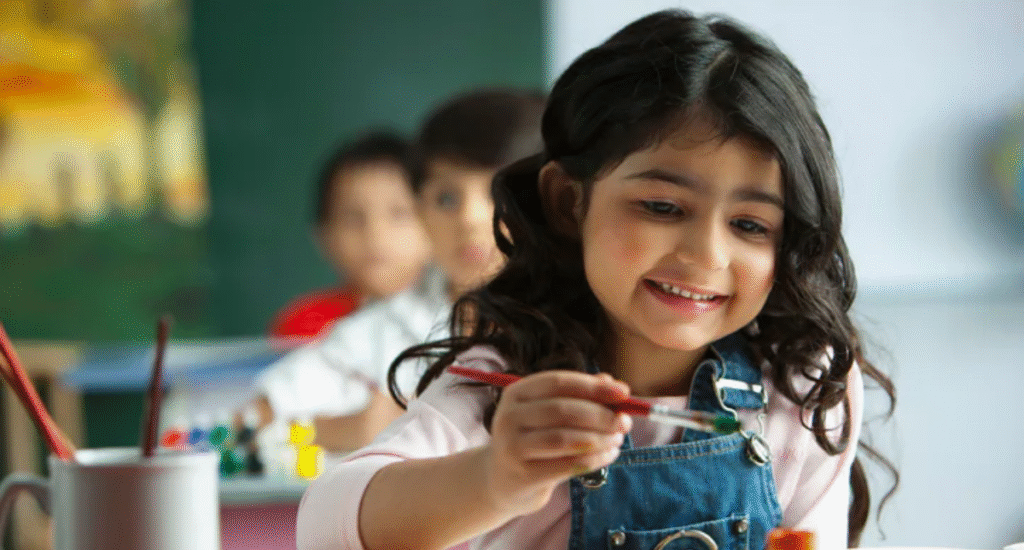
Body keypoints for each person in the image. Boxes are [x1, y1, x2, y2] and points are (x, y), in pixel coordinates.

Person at [295, 9, 896, 550]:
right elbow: (325, 528)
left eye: (750, 224)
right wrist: (494, 478)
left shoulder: (804, 384)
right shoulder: (510, 387)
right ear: (568, 202)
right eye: (662, 207)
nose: (706, 255)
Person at [249, 89, 546, 452]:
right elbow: (248, 422)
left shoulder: (595, 317)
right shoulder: (374, 332)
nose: (470, 218)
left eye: (499, 193)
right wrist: (346, 431)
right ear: (421, 211)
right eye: (446, 198)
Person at [268, 131, 431, 342]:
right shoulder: (302, 327)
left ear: (437, 228)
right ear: (323, 237)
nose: (375, 234)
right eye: (353, 218)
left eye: (399, 213)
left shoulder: (458, 321)